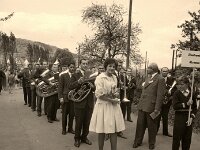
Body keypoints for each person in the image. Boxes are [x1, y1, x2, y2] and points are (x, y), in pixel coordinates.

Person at [89, 58, 125, 150]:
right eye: (110, 66)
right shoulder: (100, 78)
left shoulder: (114, 77)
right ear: (106, 67)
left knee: (113, 130)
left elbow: (113, 91)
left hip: (113, 107)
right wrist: (112, 100)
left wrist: (115, 94)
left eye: (114, 66)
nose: (112, 68)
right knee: (101, 130)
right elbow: (99, 95)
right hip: (103, 106)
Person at [133, 63, 166, 150]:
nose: (147, 69)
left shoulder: (160, 79)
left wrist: (157, 108)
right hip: (143, 105)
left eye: (148, 68)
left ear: (153, 69)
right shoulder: (148, 77)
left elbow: (160, 95)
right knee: (140, 125)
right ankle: (137, 141)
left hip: (152, 107)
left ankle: (151, 144)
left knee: (152, 127)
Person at [69, 58, 94, 147]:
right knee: (79, 122)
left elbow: (95, 88)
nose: (85, 65)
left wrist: (93, 86)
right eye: (83, 63)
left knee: (87, 122)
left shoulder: (91, 75)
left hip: (89, 102)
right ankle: (77, 139)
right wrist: (79, 82)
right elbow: (70, 86)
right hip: (79, 103)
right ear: (80, 64)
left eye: (86, 63)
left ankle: (84, 137)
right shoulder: (75, 75)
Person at [172, 76, 197, 150]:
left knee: (187, 139)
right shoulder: (177, 93)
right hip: (179, 118)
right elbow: (175, 106)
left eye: (182, 84)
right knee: (176, 139)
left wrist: (192, 117)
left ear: (187, 84)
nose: (179, 86)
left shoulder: (192, 93)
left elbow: (195, 108)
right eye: (178, 84)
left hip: (189, 118)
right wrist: (186, 104)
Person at [157, 67, 176, 137]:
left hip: (167, 102)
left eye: (166, 71)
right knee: (157, 116)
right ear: (161, 72)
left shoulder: (171, 80)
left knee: (165, 117)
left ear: (168, 72)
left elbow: (175, 90)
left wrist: (170, 96)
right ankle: (155, 130)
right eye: (163, 71)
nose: (164, 72)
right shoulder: (158, 79)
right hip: (158, 102)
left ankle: (165, 132)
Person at [58, 62, 75, 135]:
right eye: (71, 67)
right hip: (65, 98)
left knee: (72, 114)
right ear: (68, 67)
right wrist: (60, 97)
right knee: (64, 114)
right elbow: (60, 87)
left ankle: (70, 128)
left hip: (73, 98)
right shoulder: (63, 75)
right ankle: (64, 129)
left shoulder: (75, 76)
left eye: (73, 67)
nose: (72, 68)